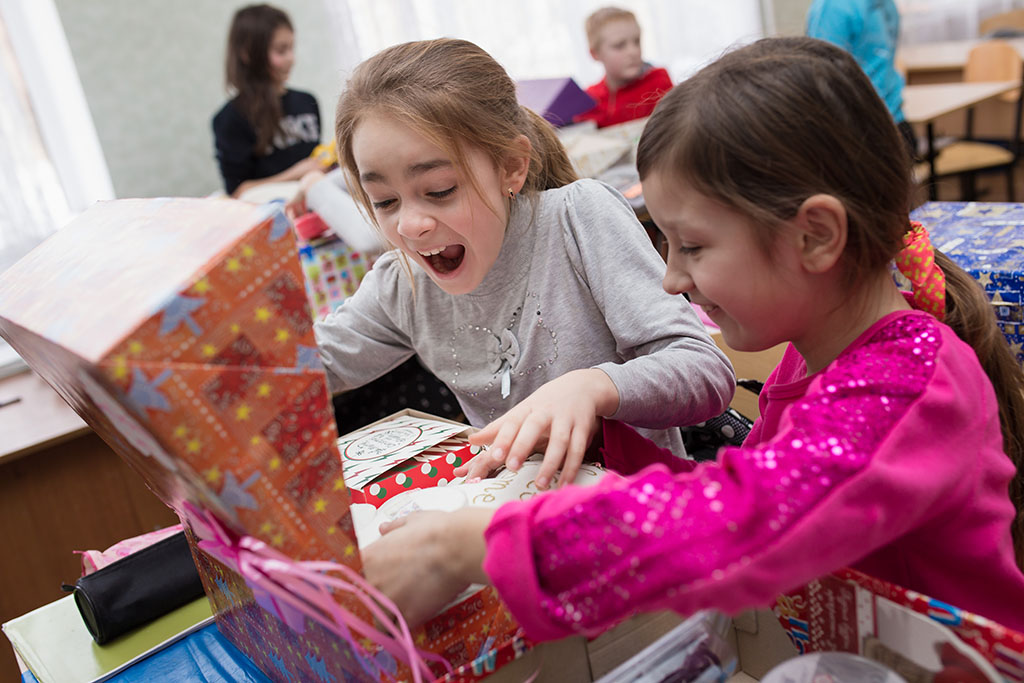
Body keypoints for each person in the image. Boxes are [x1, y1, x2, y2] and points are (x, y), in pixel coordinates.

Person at [362, 37, 1024, 638]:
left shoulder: (908, 385)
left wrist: (461, 545)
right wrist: (602, 441)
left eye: (693, 246)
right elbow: (737, 497)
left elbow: (746, 523)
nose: (673, 280)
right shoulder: (814, 353)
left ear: (815, 235)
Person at [315, 38, 735, 491]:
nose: (410, 225)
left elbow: (703, 371)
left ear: (511, 167)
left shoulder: (577, 219)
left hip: (639, 509)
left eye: (439, 190)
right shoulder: (403, 284)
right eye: (385, 201)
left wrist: (594, 389)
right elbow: (301, 367)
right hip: (513, 517)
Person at [212, 4, 321, 198]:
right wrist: (298, 173)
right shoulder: (230, 119)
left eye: (291, 48)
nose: (291, 59)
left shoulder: (307, 102)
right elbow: (238, 191)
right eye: (281, 51)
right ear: (248, 54)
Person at [806, 0, 918, 160]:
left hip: (871, 128)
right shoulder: (837, 7)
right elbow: (824, 74)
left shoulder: (835, 7)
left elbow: (823, 76)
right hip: (877, 125)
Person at [574, 6, 673, 128]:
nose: (634, 51)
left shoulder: (658, 82)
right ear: (595, 54)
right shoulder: (590, 97)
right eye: (619, 46)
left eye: (637, 41)